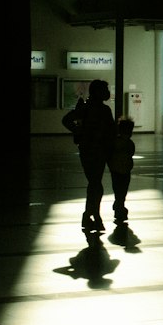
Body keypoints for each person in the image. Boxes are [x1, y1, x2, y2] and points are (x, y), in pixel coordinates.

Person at [62, 79, 116, 238]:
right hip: (96, 150)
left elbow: (66, 120)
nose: (107, 93)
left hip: (90, 149)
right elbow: (111, 130)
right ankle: (92, 216)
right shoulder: (101, 110)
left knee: (94, 183)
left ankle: (89, 215)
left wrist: (78, 131)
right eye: (104, 90)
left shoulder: (88, 108)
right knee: (95, 183)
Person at [109, 115, 136, 222]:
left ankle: (118, 205)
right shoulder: (129, 143)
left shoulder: (115, 142)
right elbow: (131, 153)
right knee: (123, 190)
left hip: (115, 170)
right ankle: (120, 206)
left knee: (117, 189)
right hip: (125, 170)